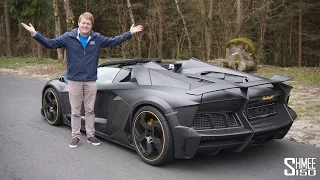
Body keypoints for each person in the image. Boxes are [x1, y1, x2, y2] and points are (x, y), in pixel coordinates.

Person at [21, 12, 143, 148]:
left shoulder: (97, 38)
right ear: (78, 23)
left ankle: (91, 135)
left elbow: (114, 41)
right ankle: (75, 136)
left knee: (90, 110)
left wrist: (130, 33)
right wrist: (35, 34)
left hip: (90, 80)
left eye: (88, 24)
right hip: (74, 80)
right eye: (83, 23)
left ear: (91, 26)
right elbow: (50, 44)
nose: (85, 25)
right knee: (76, 110)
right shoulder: (68, 37)